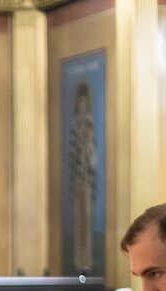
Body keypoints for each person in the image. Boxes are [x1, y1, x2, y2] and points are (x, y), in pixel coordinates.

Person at [68, 80, 98, 274]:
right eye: (80, 103)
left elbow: (92, 153)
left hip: (87, 178)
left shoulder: (89, 124)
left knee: (86, 219)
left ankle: (87, 259)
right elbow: (72, 152)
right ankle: (78, 259)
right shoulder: (75, 125)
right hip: (77, 177)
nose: (82, 106)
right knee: (78, 219)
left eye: (85, 103)